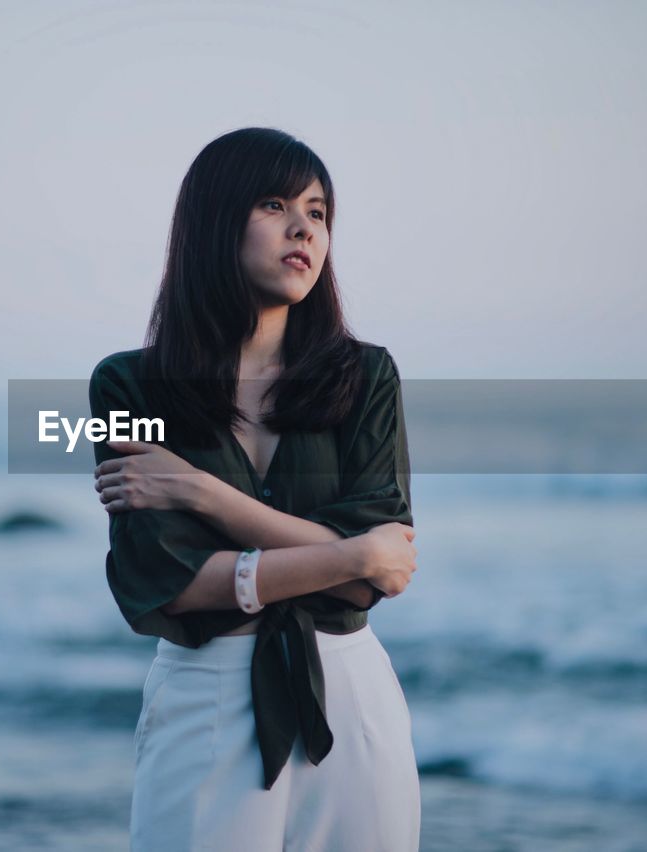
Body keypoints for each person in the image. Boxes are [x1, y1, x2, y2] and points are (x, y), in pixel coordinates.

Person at [88, 127, 420, 851]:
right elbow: (167, 583)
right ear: (214, 221)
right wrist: (355, 554)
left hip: (352, 700)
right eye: (275, 204)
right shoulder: (126, 385)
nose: (304, 227)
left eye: (319, 211)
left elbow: (374, 583)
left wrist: (204, 496)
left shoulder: (367, 377)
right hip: (205, 702)